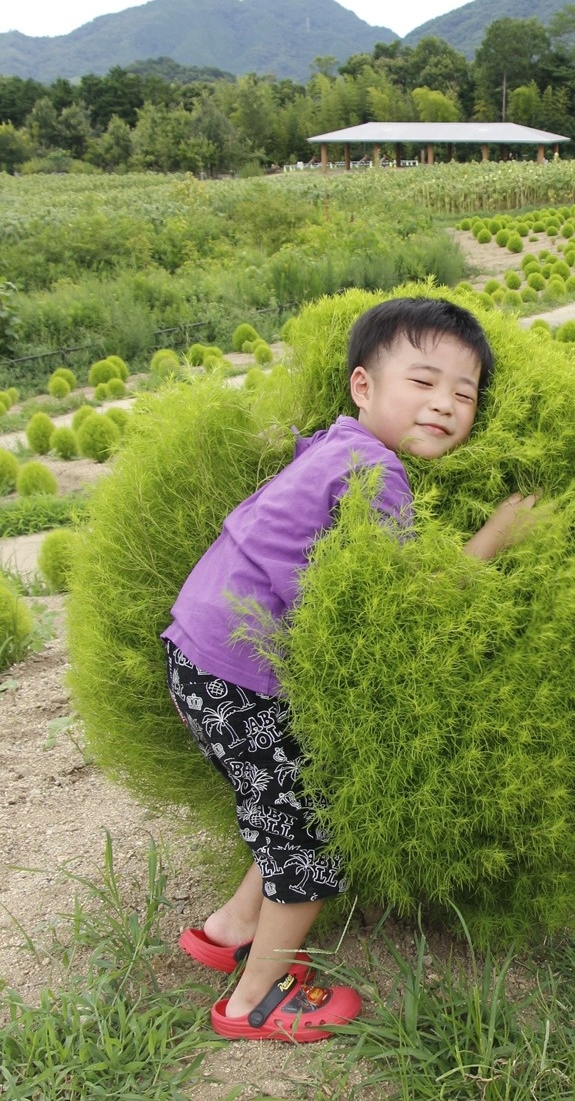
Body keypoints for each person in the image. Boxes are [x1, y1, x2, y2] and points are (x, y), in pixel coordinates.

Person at [162, 297, 535, 1042]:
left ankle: (231, 929)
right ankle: (254, 1003)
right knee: (313, 838)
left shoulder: (335, 446)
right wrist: (496, 536)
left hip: (201, 655)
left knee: (284, 801)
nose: (446, 405)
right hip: (241, 675)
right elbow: (404, 606)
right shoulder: (375, 474)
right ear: (363, 386)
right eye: (424, 383)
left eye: (465, 394)